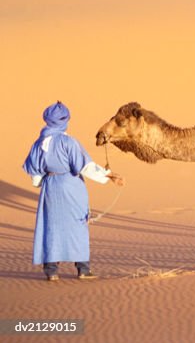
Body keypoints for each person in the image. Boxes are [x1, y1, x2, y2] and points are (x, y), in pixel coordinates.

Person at [22, 101, 125, 281]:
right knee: (77, 225)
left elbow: (35, 175)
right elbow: (85, 166)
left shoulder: (39, 143)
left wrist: (44, 182)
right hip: (71, 185)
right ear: (65, 120)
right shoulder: (69, 142)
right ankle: (83, 269)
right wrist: (108, 176)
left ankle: (52, 271)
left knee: (51, 226)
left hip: (50, 187)